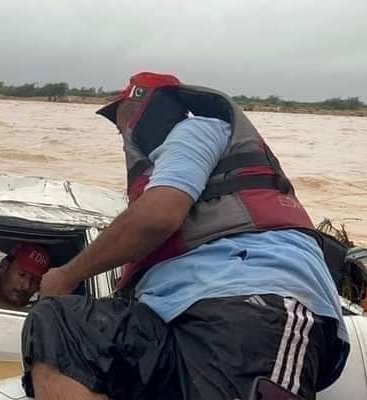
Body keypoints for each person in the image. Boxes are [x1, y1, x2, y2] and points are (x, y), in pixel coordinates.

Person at [20, 72, 349, 400]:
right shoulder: (164, 170)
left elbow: (158, 217)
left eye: (124, 121)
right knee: (57, 325)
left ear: (145, 107)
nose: (124, 133)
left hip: (247, 303)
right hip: (172, 316)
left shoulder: (195, 130)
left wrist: (66, 275)